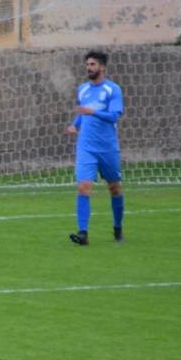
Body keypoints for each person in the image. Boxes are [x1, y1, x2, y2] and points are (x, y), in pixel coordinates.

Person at [66, 50, 125, 245]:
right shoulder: (82, 89)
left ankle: (118, 228)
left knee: (114, 188)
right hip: (86, 147)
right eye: (87, 64)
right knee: (83, 187)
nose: (88, 68)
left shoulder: (113, 90)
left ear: (102, 67)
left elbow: (114, 116)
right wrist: (75, 124)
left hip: (107, 147)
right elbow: (82, 113)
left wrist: (92, 112)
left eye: (92, 64)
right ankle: (83, 233)